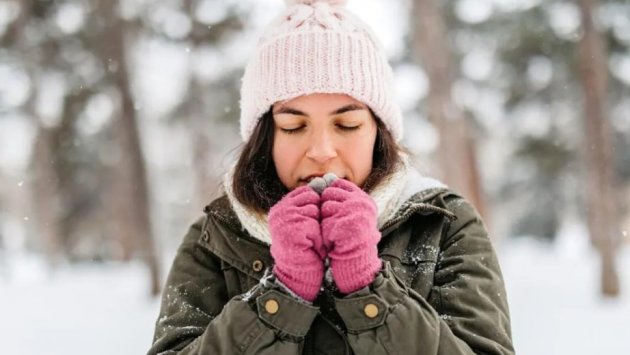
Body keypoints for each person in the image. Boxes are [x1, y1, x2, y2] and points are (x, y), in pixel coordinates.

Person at [147, 0, 514, 354]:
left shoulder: (442, 224)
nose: (321, 149)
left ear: (378, 131)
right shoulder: (216, 237)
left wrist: (369, 290)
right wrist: (281, 298)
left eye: (347, 124)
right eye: (293, 126)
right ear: (265, 137)